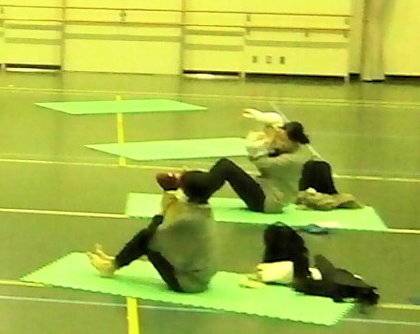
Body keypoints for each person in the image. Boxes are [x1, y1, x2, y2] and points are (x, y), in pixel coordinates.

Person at [88, 170, 218, 294]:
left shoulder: (189, 219)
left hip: (188, 282)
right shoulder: (203, 208)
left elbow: (155, 232)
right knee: (148, 237)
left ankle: (111, 267)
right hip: (201, 276)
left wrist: (164, 210)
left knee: (145, 239)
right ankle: (116, 260)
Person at [202, 109, 338, 213]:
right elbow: (276, 121)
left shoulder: (292, 160)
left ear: (292, 141)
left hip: (268, 202)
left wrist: (261, 144)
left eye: (282, 140)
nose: (279, 143)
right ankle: (199, 188)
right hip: (266, 193)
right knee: (217, 169)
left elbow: (261, 163)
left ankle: (200, 195)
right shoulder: (290, 150)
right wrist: (262, 120)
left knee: (225, 166)